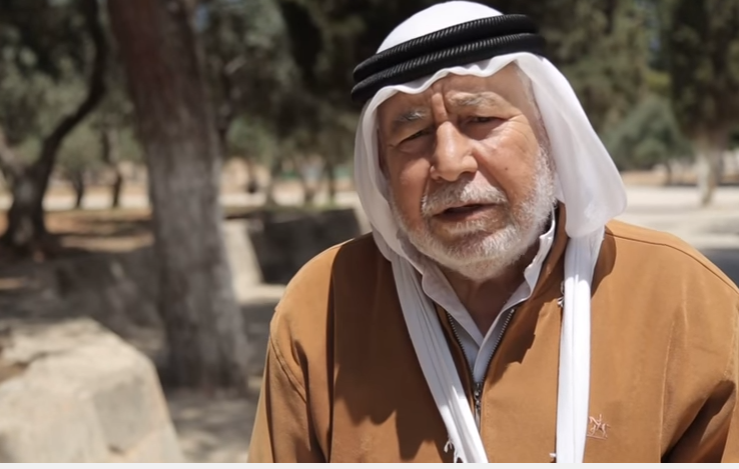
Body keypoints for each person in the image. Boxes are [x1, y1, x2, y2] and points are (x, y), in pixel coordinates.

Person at [247, 1, 739, 463]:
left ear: (548, 132)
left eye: (480, 119)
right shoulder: (323, 308)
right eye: (413, 134)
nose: (449, 162)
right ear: (382, 168)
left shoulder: (682, 298)